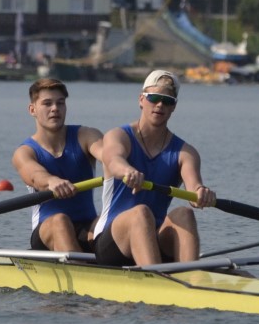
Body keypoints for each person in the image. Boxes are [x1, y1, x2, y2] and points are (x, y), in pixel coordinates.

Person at [93, 69, 216, 266]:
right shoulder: (118, 136)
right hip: (112, 242)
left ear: (174, 107)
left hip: (155, 238)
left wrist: (201, 194)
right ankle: (157, 276)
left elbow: (194, 188)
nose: (160, 105)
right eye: (154, 98)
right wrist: (127, 171)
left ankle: (192, 276)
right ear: (141, 99)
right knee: (140, 212)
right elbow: (113, 160)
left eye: (167, 101)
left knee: (184, 213)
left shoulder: (186, 153)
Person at [12, 77, 105, 253]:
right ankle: (80, 267)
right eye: (47, 103)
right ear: (32, 109)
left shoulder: (86, 135)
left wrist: (121, 165)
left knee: (113, 220)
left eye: (60, 103)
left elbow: (107, 155)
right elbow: (35, 176)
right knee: (60, 221)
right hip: (47, 230)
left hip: (87, 227)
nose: (55, 108)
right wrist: (51, 181)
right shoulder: (24, 152)